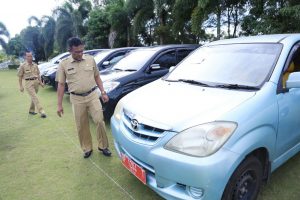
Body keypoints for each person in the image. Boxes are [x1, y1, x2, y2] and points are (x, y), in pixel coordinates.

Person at [56, 37, 111, 158]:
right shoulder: (64, 64)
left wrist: (103, 92)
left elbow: (97, 77)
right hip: (76, 99)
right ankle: (87, 148)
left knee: (99, 120)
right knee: (82, 125)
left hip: (92, 95)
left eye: (82, 50)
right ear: (70, 50)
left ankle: (103, 146)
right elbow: (60, 84)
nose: (80, 53)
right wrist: (59, 105)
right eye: (77, 52)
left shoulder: (90, 60)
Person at [17, 51, 47, 118]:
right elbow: (20, 77)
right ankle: (41, 111)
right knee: (35, 97)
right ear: (25, 57)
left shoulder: (35, 65)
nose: (30, 57)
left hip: (36, 82)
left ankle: (31, 110)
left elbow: (38, 74)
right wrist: (21, 86)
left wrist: (41, 83)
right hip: (28, 83)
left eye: (31, 56)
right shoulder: (23, 66)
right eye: (28, 56)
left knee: (33, 97)